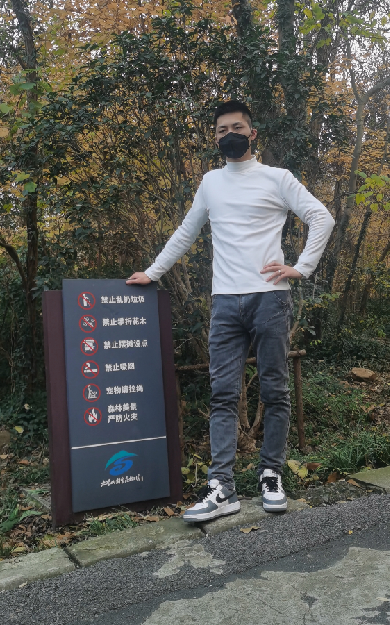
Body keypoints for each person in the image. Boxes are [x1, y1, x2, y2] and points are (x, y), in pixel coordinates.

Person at [126, 100, 335, 522]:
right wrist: (152, 272)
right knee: (222, 394)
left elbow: (322, 218)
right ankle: (222, 488)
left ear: (252, 133)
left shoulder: (277, 178)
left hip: (269, 299)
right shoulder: (211, 183)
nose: (229, 135)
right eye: (222, 130)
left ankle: (271, 475)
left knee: (274, 391)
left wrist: (300, 268)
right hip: (224, 303)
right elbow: (186, 232)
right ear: (216, 137)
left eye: (236, 128)